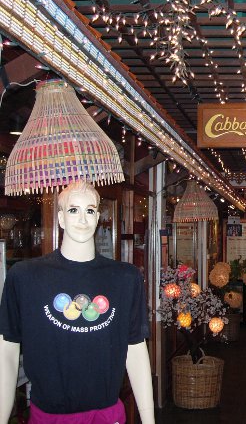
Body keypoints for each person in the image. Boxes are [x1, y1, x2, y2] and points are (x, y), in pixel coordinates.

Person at [0, 181, 155, 424]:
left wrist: (149, 420)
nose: (83, 218)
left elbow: (135, 350)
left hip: (106, 415)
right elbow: (7, 351)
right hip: (47, 416)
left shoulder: (125, 278)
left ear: (97, 218)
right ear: (60, 218)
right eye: (73, 210)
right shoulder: (25, 277)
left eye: (90, 210)